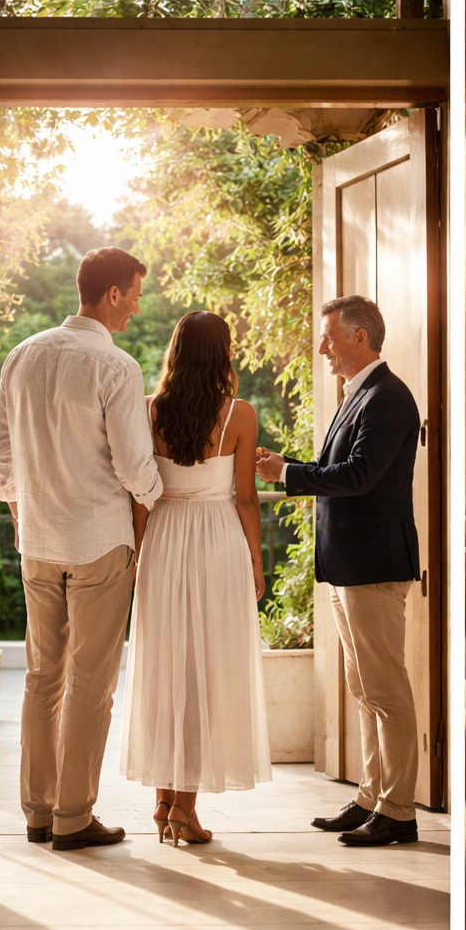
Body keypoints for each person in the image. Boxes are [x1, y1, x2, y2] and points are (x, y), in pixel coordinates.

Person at [0, 247, 163, 851]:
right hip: (99, 542)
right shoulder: (116, 366)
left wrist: (19, 505)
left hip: (38, 541)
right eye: (136, 294)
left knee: (42, 677)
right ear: (112, 294)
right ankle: (73, 817)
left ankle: (36, 813)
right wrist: (163, 494)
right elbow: (135, 465)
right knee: (91, 684)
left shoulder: (23, 354)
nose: (138, 307)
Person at [256, 295, 421, 847]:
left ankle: (399, 811)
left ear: (359, 337)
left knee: (386, 690)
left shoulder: (389, 398)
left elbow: (357, 477)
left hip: (374, 565)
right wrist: (290, 469)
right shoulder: (360, 394)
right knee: (365, 686)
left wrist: (287, 474)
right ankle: (371, 798)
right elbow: (336, 471)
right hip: (351, 565)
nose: (322, 346)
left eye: (329, 336)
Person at [120, 311, 272, 845]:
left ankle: (164, 802)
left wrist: (139, 556)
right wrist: (256, 562)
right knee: (206, 671)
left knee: (165, 669)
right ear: (223, 354)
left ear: (176, 351)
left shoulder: (148, 411)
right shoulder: (240, 414)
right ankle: (184, 808)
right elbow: (247, 500)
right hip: (216, 542)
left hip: (163, 539)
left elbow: (142, 496)